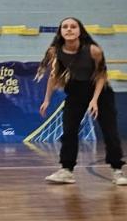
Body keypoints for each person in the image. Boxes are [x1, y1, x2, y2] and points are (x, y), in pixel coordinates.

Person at [38, 17, 125, 185]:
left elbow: (101, 76)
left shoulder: (94, 50)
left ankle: (117, 171)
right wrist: (47, 99)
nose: (69, 29)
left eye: (73, 26)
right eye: (65, 27)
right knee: (69, 130)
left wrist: (94, 100)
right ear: (61, 31)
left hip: (100, 92)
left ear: (80, 31)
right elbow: (53, 75)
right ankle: (66, 170)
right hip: (76, 90)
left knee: (110, 131)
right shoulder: (55, 51)